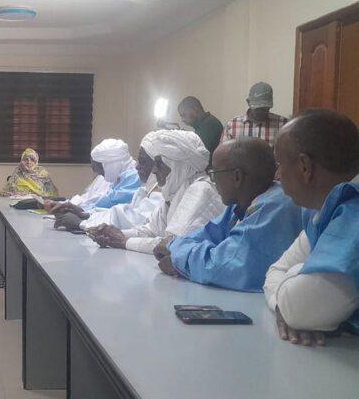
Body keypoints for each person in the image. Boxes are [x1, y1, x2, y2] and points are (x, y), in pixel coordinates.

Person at [156, 138, 303, 292]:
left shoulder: (276, 207)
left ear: (237, 177)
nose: (213, 182)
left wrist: (179, 257)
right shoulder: (240, 203)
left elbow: (220, 267)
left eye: (214, 174)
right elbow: (204, 236)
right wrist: (177, 251)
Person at [263, 109, 359, 346]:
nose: (277, 175)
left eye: (280, 164)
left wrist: (296, 283)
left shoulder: (354, 215)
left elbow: (299, 310)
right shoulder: (325, 211)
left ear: (305, 166)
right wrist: (284, 304)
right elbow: (275, 271)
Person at [90, 130, 225, 254]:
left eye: (159, 164)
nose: (154, 170)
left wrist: (124, 241)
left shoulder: (200, 189)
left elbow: (173, 245)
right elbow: (152, 230)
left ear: (178, 165)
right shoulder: (175, 192)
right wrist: (113, 234)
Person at [61, 134, 164, 232]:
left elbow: (133, 220)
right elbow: (123, 212)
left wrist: (83, 222)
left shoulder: (135, 179)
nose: (137, 166)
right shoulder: (146, 186)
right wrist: (87, 215)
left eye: (143, 162)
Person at [52, 139, 143, 229]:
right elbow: (105, 202)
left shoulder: (134, 178)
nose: (98, 173)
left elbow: (115, 212)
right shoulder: (120, 176)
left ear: (111, 164)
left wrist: (82, 220)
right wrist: (81, 211)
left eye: (99, 167)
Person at [222, 82, 288, 146]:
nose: (261, 112)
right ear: (248, 102)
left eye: (265, 108)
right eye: (257, 108)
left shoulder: (283, 125)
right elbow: (223, 152)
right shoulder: (232, 125)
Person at [177, 96, 223, 163]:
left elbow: (198, 156)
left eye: (183, 115)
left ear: (195, 109)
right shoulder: (204, 124)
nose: (182, 120)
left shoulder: (209, 124)